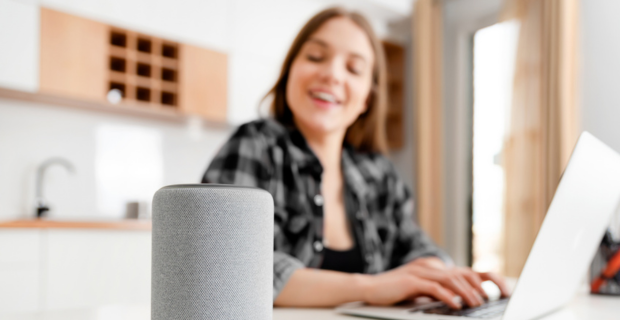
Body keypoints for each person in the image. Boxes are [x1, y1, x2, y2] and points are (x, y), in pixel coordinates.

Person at [202, 7, 510, 309]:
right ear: (290, 70)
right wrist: (374, 287)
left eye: (354, 69)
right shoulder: (255, 144)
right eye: (315, 57)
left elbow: (418, 247)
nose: (332, 74)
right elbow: (227, 266)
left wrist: (436, 275)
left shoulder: (377, 172)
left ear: (366, 98)